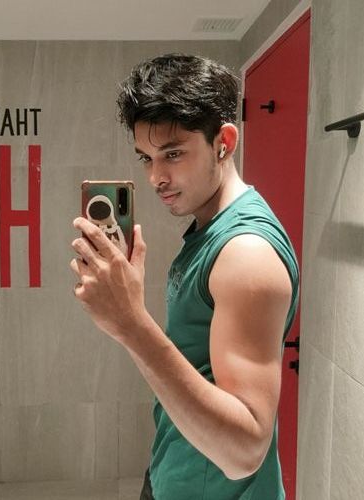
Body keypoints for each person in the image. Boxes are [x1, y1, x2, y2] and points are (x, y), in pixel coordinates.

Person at [70, 54, 299, 500]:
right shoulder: (208, 228)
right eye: (146, 158)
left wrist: (131, 323)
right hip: (174, 470)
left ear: (223, 142)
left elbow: (245, 450)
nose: (156, 177)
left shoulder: (246, 254)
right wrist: (127, 317)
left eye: (173, 154)